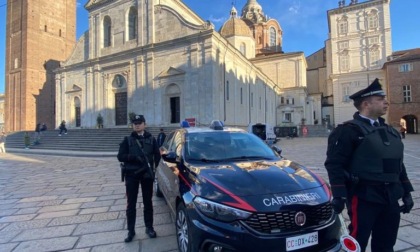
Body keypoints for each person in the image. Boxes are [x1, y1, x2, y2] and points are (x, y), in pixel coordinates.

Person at [325, 78, 414, 252]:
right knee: (358, 242)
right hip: (364, 196)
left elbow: (398, 165)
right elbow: (334, 164)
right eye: (381, 99)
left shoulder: (390, 131)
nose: (386, 102)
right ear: (366, 104)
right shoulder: (348, 131)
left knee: (386, 243)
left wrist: (407, 192)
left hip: (390, 197)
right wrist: (339, 196)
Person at [117, 114, 161, 243]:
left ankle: (149, 227)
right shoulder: (127, 140)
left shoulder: (151, 139)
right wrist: (133, 158)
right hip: (132, 176)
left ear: (144, 124)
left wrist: (153, 169)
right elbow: (120, 156)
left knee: (148, 203)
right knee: (131, 204)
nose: (137, 125)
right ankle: (131, 230)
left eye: (139, 122)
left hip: (146, 176)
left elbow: (157, 156)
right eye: (135, 123)